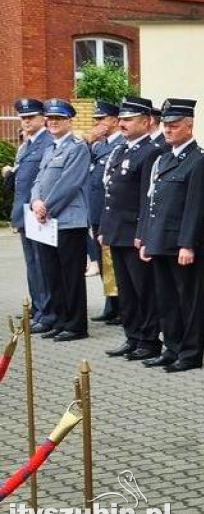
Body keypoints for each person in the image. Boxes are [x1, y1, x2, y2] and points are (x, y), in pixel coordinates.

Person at [137, 98, 204, 372]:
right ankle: (172, 347)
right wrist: (147, 239)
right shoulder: (163, 159)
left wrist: (188, 244)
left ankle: (191, 353)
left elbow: (197, 207)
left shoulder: (200, 160)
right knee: (167, 300)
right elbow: (152, 202)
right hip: (160, 241)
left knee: (189, 302)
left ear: (189, 126)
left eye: (174, 125)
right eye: (166, 125)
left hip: (184, 244)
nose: (168, 130)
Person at [99, 96, 164, 360]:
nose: (123, 124)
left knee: (143, 289)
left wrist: (143, 233)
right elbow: (110, 194)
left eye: (129, 120)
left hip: (134, 233)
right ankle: (133, 335)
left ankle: (148, 341)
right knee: (125, 291)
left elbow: (146, 198)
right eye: (122, 120)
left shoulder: (151, 152)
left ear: (147, 122)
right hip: (116, 231)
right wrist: (105, 227)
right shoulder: (121, 150)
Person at [30, 99, 91, 342]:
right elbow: (38, 181)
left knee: (71, 276)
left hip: (68, 220)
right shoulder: (49, 149)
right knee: (52, 273)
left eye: (59, 119)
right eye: (50, 119)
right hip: (46, 221)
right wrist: (35, 202)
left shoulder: (77, 147)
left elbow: (70, 182)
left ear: (69, 121)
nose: (53, 123)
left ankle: (76, 325)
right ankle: (60, 319)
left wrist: (47, 206)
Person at [5, 98, 55, 333]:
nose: (26, 122)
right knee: (32, 264)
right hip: (23, 213)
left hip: (38, 212)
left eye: (30, 118)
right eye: (23, 118)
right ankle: (37, 307)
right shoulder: (26, 145)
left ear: (42, 118)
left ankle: (48, 313)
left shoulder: (48, 143)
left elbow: (45, 180)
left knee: (43, 265)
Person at [86, 100, 123, 322]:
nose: (98, 124)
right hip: (97, 211)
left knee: (114, 263)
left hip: (112, 212)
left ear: (114, 120)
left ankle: (120, 306)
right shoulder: (98, 146)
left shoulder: (118, 146)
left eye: (102, 119)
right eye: (96, 120)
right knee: (102, 262)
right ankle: (111, 304)